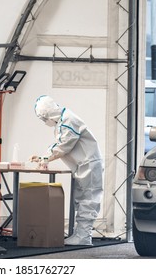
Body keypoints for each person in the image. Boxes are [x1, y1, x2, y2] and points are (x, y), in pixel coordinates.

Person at [31, 95, 103, 246]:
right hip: (83, 165)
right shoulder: (64, 120)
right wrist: (43, 157)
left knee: (88, 200)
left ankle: (84, 237)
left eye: (43, 118)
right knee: (82, 199)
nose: (44, 122)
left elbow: (64, 146)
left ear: (48, 114)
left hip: (88, 164)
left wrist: (45, 158)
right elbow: (61, 143)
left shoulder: (69, 121)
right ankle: (81, 234)